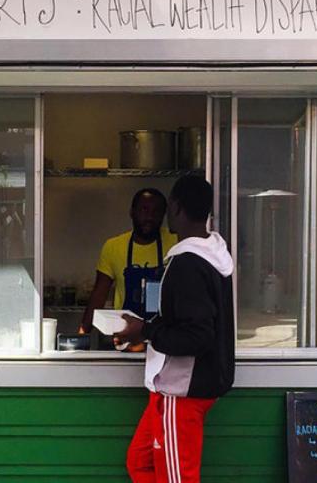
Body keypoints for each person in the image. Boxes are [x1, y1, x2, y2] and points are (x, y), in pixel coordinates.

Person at [114, 175, 235, 483]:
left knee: (177, 478)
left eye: (169, 206)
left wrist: (146, 331)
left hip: (181, 393)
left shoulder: (188, 265)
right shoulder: (213, 256)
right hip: (178, 390)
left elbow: (197, 336)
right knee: (140, 462)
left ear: (178, 208)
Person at [80, 188, 178, 335]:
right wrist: (82, 335)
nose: (149, 217)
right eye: (144, 210)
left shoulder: (176, 243)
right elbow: (99, 295)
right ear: (132, 212)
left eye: (156, 211)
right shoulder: (113, 247)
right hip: (125, 335)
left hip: (163, 335)